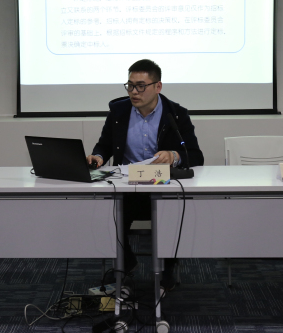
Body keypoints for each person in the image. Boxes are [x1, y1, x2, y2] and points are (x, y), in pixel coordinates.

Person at [87, 59, 204, 291]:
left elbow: (195, 156)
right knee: (106, 215)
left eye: (140, 86)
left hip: (163, 188)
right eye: (130, 85)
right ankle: (126, 264)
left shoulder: (176, 114)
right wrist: (98, 156)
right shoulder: (119, 112)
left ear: (157, 86)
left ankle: (167, 269)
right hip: (127, 187)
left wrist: (173, 155)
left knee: (172, 215)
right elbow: (104, 145)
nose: (134, 92)